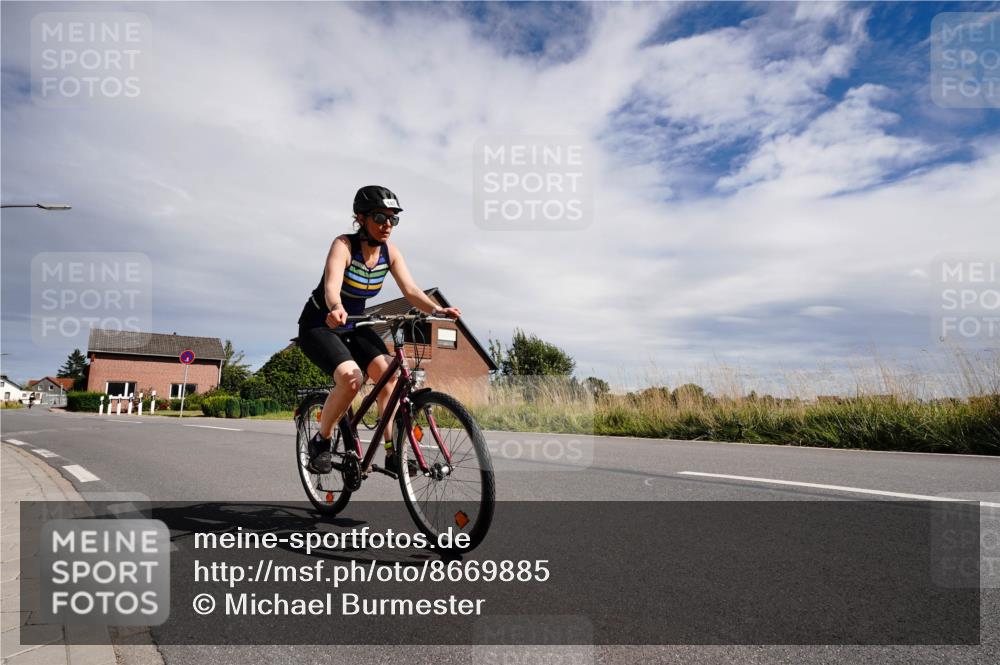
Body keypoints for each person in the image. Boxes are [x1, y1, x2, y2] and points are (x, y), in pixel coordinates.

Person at [296, 185, 460, 476]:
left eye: (393, 219)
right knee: (351, 378)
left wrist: (435, 310)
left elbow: (410, 290)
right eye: (380, 218)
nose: (387, 225)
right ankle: (321, 441)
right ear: (360, 218)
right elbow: (332, 286)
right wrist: (335, 307)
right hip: (321, 324)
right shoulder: (344, 245)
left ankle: (391, 452)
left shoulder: (390, 253)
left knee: (390, 378)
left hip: (356, 324)